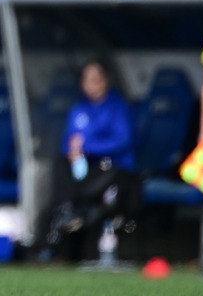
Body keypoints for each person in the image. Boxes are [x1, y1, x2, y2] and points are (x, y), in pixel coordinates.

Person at [43, 60, 138, 260]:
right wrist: (74, 151)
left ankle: (75, 217)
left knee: (102, 183)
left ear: (106, 81)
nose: (91, 84)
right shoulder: (79, 110)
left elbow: (122, 140)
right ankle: (65, 211)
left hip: (113, 167)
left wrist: (87, 147)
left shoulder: (117, 107)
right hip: (84, 166)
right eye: (87, 80)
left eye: (96, 79)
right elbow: (69, 142)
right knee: (60, 164)